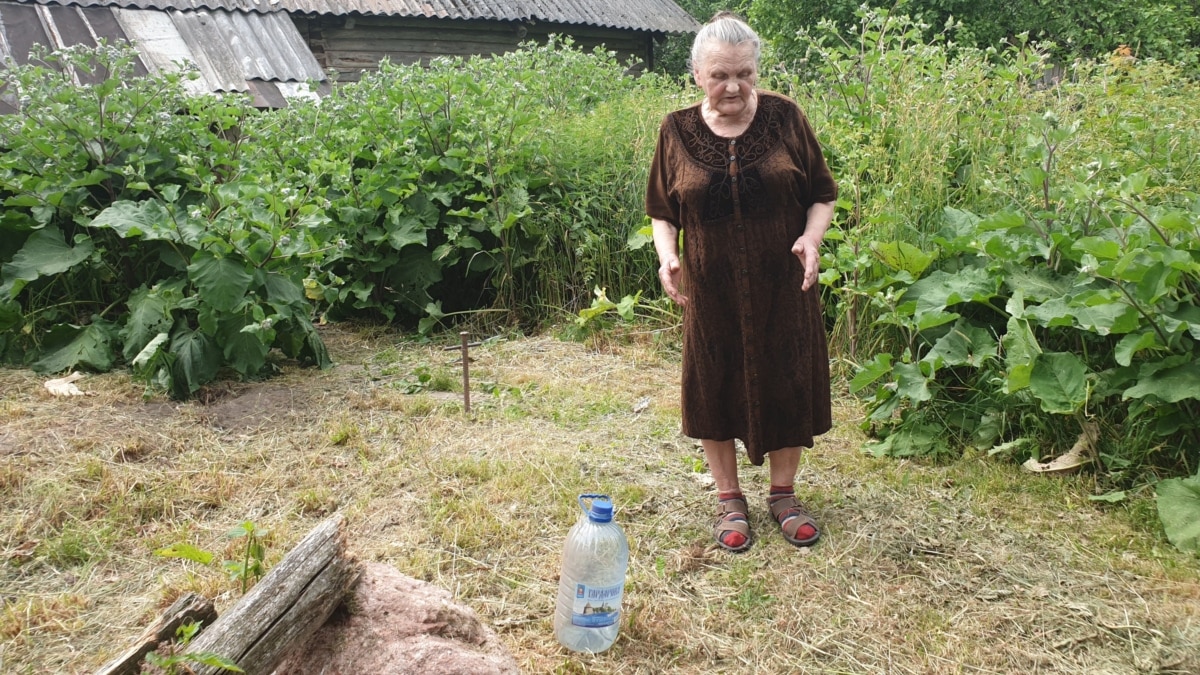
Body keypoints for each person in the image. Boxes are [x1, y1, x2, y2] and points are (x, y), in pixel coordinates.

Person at [646, 12, 837, 552]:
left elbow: (822, 192)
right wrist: (668, 257)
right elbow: (663, 209)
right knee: (713, 377)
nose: (734, 86)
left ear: (757, 71)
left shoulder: (787, 119)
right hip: (710, 285)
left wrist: (811, 239)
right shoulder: (675, 130)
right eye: (720, 75)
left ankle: (783, 494)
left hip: (784, 280)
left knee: (788, 371)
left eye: (745, 73)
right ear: (697, 75)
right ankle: (729, 499)